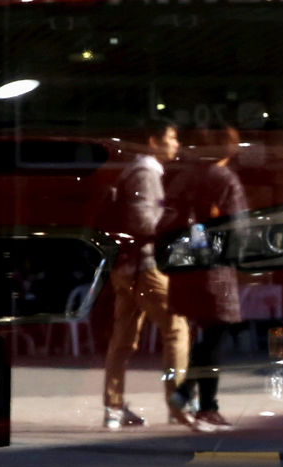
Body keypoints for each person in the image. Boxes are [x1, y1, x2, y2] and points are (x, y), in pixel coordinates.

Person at [102, 120, 191, 430]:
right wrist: (176, 220)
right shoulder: (147, 172)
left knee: (123, 339)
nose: (176, 143)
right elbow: (145, 222)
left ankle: (114, 408)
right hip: (146, 266)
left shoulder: (132, 172)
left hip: (125, 268)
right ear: (153, 141)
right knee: (176, 328)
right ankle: (177, 404)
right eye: (171, 137)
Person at [162, 125, 248, 432]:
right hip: (215, 271)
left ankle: (193, 398)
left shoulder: (185, 176)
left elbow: (166, 217)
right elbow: (238, 227)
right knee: (215, 334)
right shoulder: (224, 179)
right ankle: (202, 404)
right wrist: (239, 257)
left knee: (206, 334)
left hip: (185, 269)